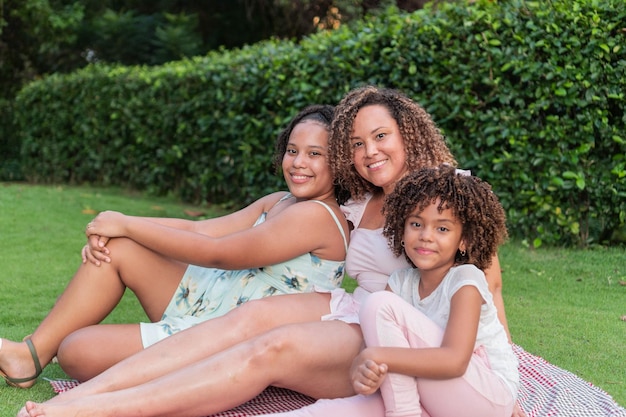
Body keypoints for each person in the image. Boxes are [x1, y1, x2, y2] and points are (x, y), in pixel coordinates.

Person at [17, 86, 519, 417]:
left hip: (412, 326)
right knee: (250, 319)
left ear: (407, 134)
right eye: (359, 143)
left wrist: (504, 365)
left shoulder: (446, 194)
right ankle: (87, 393)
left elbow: (485, 283)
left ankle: (96, 408)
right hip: (361, 308)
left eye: (381, 137)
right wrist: (127, 229)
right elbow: (215, 230)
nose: (370, 152)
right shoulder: (357, 197)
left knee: (270, 347)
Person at [0, 104, 349, 386]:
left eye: (314, 153)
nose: (299, 162)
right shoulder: (280, 200)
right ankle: (29, 355)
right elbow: (201, 229)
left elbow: (219, 253)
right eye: (292, 150)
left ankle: (176, 370)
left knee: (76, 352)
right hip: (207, 299)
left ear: (338, 163)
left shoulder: (318, 216)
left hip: (227, 335)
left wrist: (128, 224)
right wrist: (116, 226)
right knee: (119, 247)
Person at [351, 165, 518, 417]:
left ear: (464, 240)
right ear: (401, 230)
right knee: (343, 409)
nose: (426, 236)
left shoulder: (465, 279)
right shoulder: (399, 282)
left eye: (442, 228)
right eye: (416, 224)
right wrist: (363, 369)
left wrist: (375, 355)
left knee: (378, 304)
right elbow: (380, 350)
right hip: (432, 391)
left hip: (486, 396)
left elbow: (454, 361)